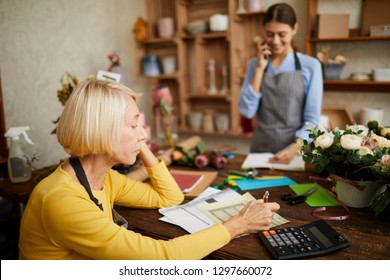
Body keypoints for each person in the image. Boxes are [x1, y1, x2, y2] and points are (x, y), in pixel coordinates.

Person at [19, 79, 280, 260]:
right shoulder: (63, 200)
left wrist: (140, 145)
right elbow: (159, 258)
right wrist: (239, 224)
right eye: (134, 125)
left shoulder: (103, 178)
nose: (143, 133)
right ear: (102, 131)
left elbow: (170, 197)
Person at [239, 2, 323, 164]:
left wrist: (295, 148)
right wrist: (259, 69)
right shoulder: (254, 65)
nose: (275, 41)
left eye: (282, 34)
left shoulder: (311, 66)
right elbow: (247, 111)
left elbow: (312, 119)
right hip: (260, 151)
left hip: (296, 153)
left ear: (294, 29)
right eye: (269, 34)